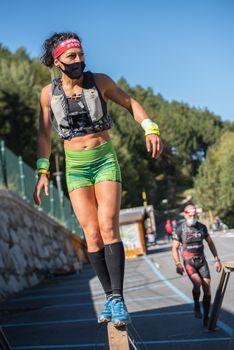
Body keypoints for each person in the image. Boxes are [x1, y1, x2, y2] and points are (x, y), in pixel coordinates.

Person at [33, 32, 163, 327]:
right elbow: (44, 135)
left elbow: (130, 103)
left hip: (104, 160)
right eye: (71, 57)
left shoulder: (100, 81)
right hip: (76, 167)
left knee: (108, 227)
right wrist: (42, 172)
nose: (79, 61)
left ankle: (118, 298)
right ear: (58, 62)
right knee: (91, 234)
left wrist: (150, 127)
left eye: (81, 55)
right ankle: (110, 297)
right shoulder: (47, 94)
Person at [172, 204, 222, 327]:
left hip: (201, 261)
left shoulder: (202, 227)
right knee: (198, 283)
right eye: (190, 215)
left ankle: (206, 317)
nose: (193, 217)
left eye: (194, 215)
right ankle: (196, 304)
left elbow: (210, 243)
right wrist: (178, 264)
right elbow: (174, 248)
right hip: (189, 262)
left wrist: (217, 259)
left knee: (207, 288)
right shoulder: (180, 229)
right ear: (185, 215)